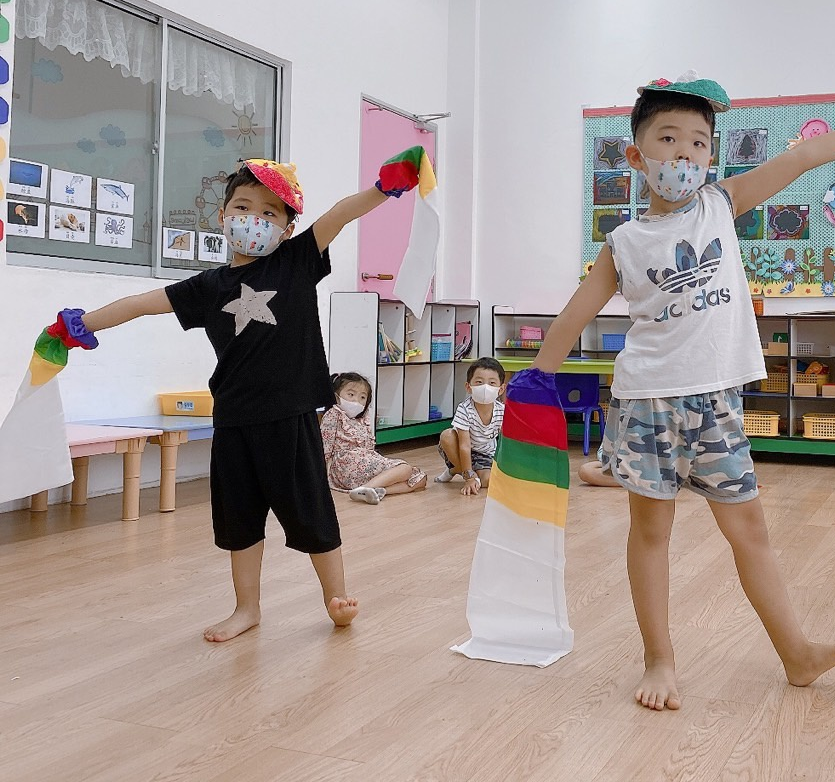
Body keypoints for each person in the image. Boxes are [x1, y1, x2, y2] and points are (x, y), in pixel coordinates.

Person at [523, 73, 835, 711]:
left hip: (716, 403)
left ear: (711, 156)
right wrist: (537, 376)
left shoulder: (720, 205)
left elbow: (799, 158)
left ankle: (797, 654)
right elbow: (575, 313)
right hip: (647, 401)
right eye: (668, 139)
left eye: (699, 143)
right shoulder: (624, 242)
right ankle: (659, 658)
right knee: (652, 533)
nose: (684, 154)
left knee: (750, 528)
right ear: (636, 156)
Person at [67, 151, 426, 642]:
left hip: (290, 418)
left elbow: (340, 214)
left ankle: (336, 598)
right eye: (242, 207)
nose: (252, 219)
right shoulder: (208, 286)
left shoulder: (296, 261)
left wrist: (384, 187)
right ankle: (247, 608)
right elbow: (140, 304)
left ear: (286, 228)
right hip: (234, 420)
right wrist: (80, 325)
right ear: (222, 216)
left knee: (310, 510)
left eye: (268, 213)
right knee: (239, 519)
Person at [321, 371, 426, 503]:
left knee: (420, 479)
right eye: (351, 394)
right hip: (346, 466)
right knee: (405, 469)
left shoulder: (362, 420)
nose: (356, 401)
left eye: (362, 397)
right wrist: (322, 479)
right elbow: (324, 447)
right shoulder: (334, 414)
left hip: (365, 461)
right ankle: (366, 488)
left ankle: (374, 491)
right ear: (336, 396)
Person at [435, 357, 506, 496]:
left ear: (501, 389)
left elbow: (505, 442)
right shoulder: (464, 409)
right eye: (479, 382)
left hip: (485, 455)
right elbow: (464, 446)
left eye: (492, 383)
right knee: (447, 435)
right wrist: (469, 478)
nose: (485, 387)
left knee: (488, 481)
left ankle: (454, 470)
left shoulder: (502, 411)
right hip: (458, 450)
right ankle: (465, 471)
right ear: (468, 387)